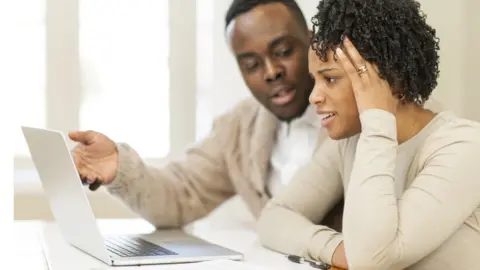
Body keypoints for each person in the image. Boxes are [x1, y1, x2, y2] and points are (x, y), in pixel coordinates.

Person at [68, 0, 343, 229]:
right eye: (251, 64)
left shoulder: (355, 115)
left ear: (312, 40)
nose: (271, 72)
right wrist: (120, 169)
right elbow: (180, 193)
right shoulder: (239, 126)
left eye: (283, 52)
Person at [257, 0, 480, 269]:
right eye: (315, 80)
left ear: (391, 80)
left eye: (330, 79)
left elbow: (369, 260)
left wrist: (378, 119)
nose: (314, 96)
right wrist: (337, 249)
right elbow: (275, 216)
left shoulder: (464, 147)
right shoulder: (352, 139)